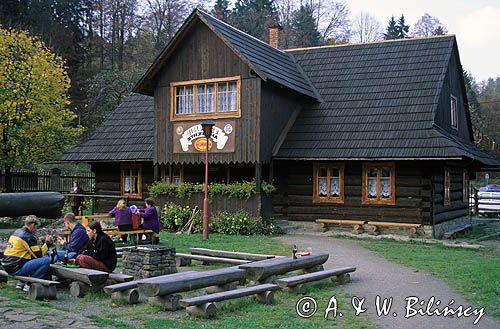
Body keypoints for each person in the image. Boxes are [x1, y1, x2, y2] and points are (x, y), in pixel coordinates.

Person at [1, 216, 52, 291]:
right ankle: (30, 283)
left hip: (7, 265)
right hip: (16, 268)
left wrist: (39, 242)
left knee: (28, 257)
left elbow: (26, 250)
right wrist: (47, 243)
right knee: (46, 260)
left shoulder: (17, 232)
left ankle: (21, 282)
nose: (36, 229)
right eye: (36, 227)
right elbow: (39, 255)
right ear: (32, 225)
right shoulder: (28, 236)